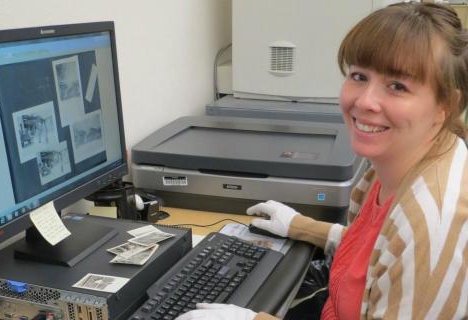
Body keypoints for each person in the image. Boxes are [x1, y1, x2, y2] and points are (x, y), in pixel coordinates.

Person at [176, 2, 468, 319]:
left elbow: (405, 251)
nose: (365, 101)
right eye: (358, 75)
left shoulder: (430, 225)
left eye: (397, 86)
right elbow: (376, 255)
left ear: (445, 105)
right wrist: (302, 227)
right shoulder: (394, 162)